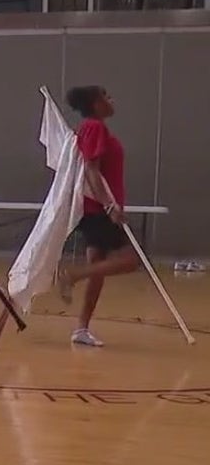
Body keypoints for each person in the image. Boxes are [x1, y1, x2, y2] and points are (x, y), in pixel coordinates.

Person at [55, 85, 137, 347]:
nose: (112, 100)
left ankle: (81, 329)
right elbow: (91, 169)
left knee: (98, 268)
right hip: (98, 210)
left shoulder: (95, 128)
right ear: (96, 103)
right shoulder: (94, 127)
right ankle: (74, 275)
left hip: (99, 208)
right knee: (131, 260)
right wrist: (110, 206)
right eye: (106, 97)